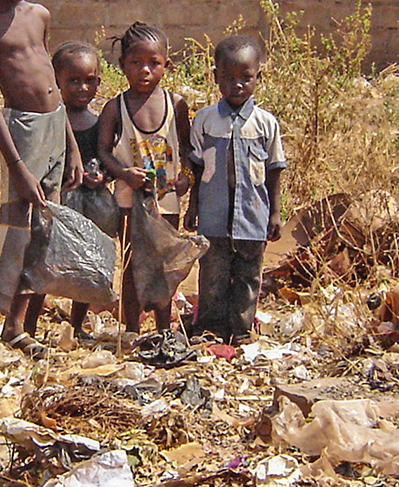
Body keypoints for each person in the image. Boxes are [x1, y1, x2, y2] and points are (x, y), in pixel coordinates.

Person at [0, 0, 82, 358]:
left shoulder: (39, 16)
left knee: (45, 229)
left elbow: (53, 85)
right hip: (24, 135)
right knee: (16, 231)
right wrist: (17, 166)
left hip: (55, 127)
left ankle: (15, 327)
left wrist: (71, 145)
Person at [184, 35, 286, 344]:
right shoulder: (205, 120)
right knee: (213, 273)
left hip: (253, 216)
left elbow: (274, 169)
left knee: (248, 275)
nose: (237, 85)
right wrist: (192, 208)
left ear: (259, 77)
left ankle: (241, 330)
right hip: (213, 215)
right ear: (215, 77)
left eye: (245, 77)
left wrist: (275, 213)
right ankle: (211, 328)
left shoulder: (266, 123)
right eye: (228, 78)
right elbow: (197, 168)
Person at [97, 22, 193, 334]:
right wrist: (123, 173)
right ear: (122, 65)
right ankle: (131, 332)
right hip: (127, 202)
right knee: (129, 267)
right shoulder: (116, 108)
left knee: (164, 265)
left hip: (166, 203)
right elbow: (104, 153)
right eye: (135, 63)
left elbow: (189, 149)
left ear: (167, 64)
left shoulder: (176, 104)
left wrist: (186, 177)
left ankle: (164, 330)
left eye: (153, 63)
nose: (144, 71)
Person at [52, 41, 107, 339]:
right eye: (73, 80)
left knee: (88, 264)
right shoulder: (52, 120)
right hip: (57, 203)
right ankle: (29, 325)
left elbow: (107, 157)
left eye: (89, 80)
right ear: (56, 80)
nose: (82, 87)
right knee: (46, 263)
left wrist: (101, 176)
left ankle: (76, 325)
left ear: (99, 82)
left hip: (89, 205)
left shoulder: (99, 123)